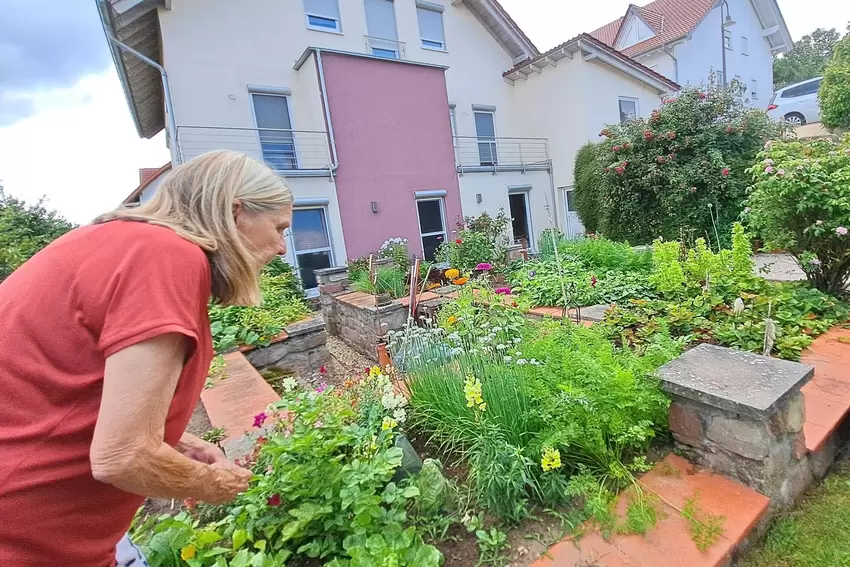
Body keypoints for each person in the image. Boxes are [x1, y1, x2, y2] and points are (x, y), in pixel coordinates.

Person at [0, 150, 294, 567]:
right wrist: (214, 482)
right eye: (280, 227)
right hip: (29, 542)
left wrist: (177, 441)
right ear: (235, 212)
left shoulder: (123, 242)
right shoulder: (165, 256)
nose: (282, 248)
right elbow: (123, 457)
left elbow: (73, 395)